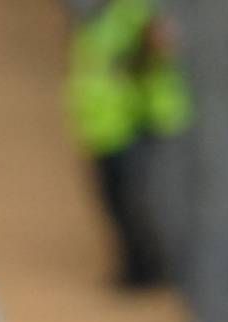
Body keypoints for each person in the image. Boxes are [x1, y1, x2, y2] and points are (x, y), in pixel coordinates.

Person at [65, 0, 191, 289]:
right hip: (103, 127)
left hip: (132, 123)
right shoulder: (99, 19)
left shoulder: (133, 11)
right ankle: (135, 267)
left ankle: (148, 269)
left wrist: (136, 63)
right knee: (116, 200)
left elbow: (162, 41)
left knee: (135, 199)